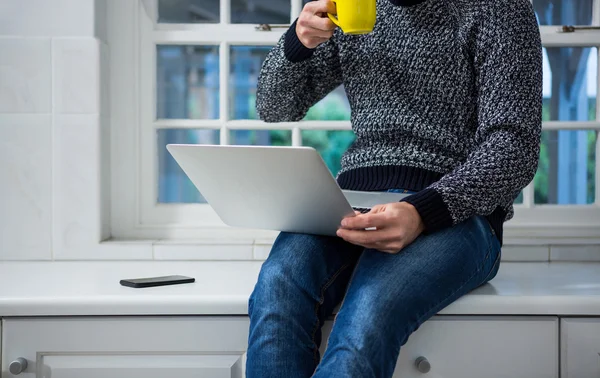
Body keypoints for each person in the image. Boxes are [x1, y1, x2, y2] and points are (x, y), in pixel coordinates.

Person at [246, 0, 542, 376]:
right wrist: (298, 41)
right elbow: (274, 107)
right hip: (352, 201)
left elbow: (514, 146)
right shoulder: (350, 6)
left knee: (369, 310)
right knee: (277, 288)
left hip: (458, 215)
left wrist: (422, 211)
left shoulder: (499, 8)